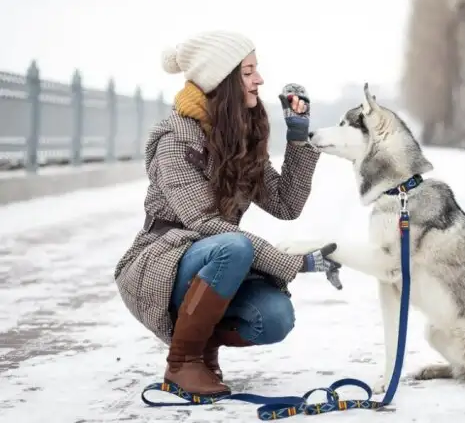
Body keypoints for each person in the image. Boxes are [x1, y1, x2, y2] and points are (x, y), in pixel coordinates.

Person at [113, 30, 340, 399]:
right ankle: (182, 362)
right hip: (163, 261)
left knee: (275, 318)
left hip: (218, 258)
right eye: (248, 71)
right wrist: (293, 263)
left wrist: (298, 138)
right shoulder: (175, 139)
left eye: (257, 70)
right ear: (223, 79)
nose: (260, 80)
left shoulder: (239, 135)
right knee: (232, 246)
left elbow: (286, 204)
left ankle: (204, 350)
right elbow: (204, 225)